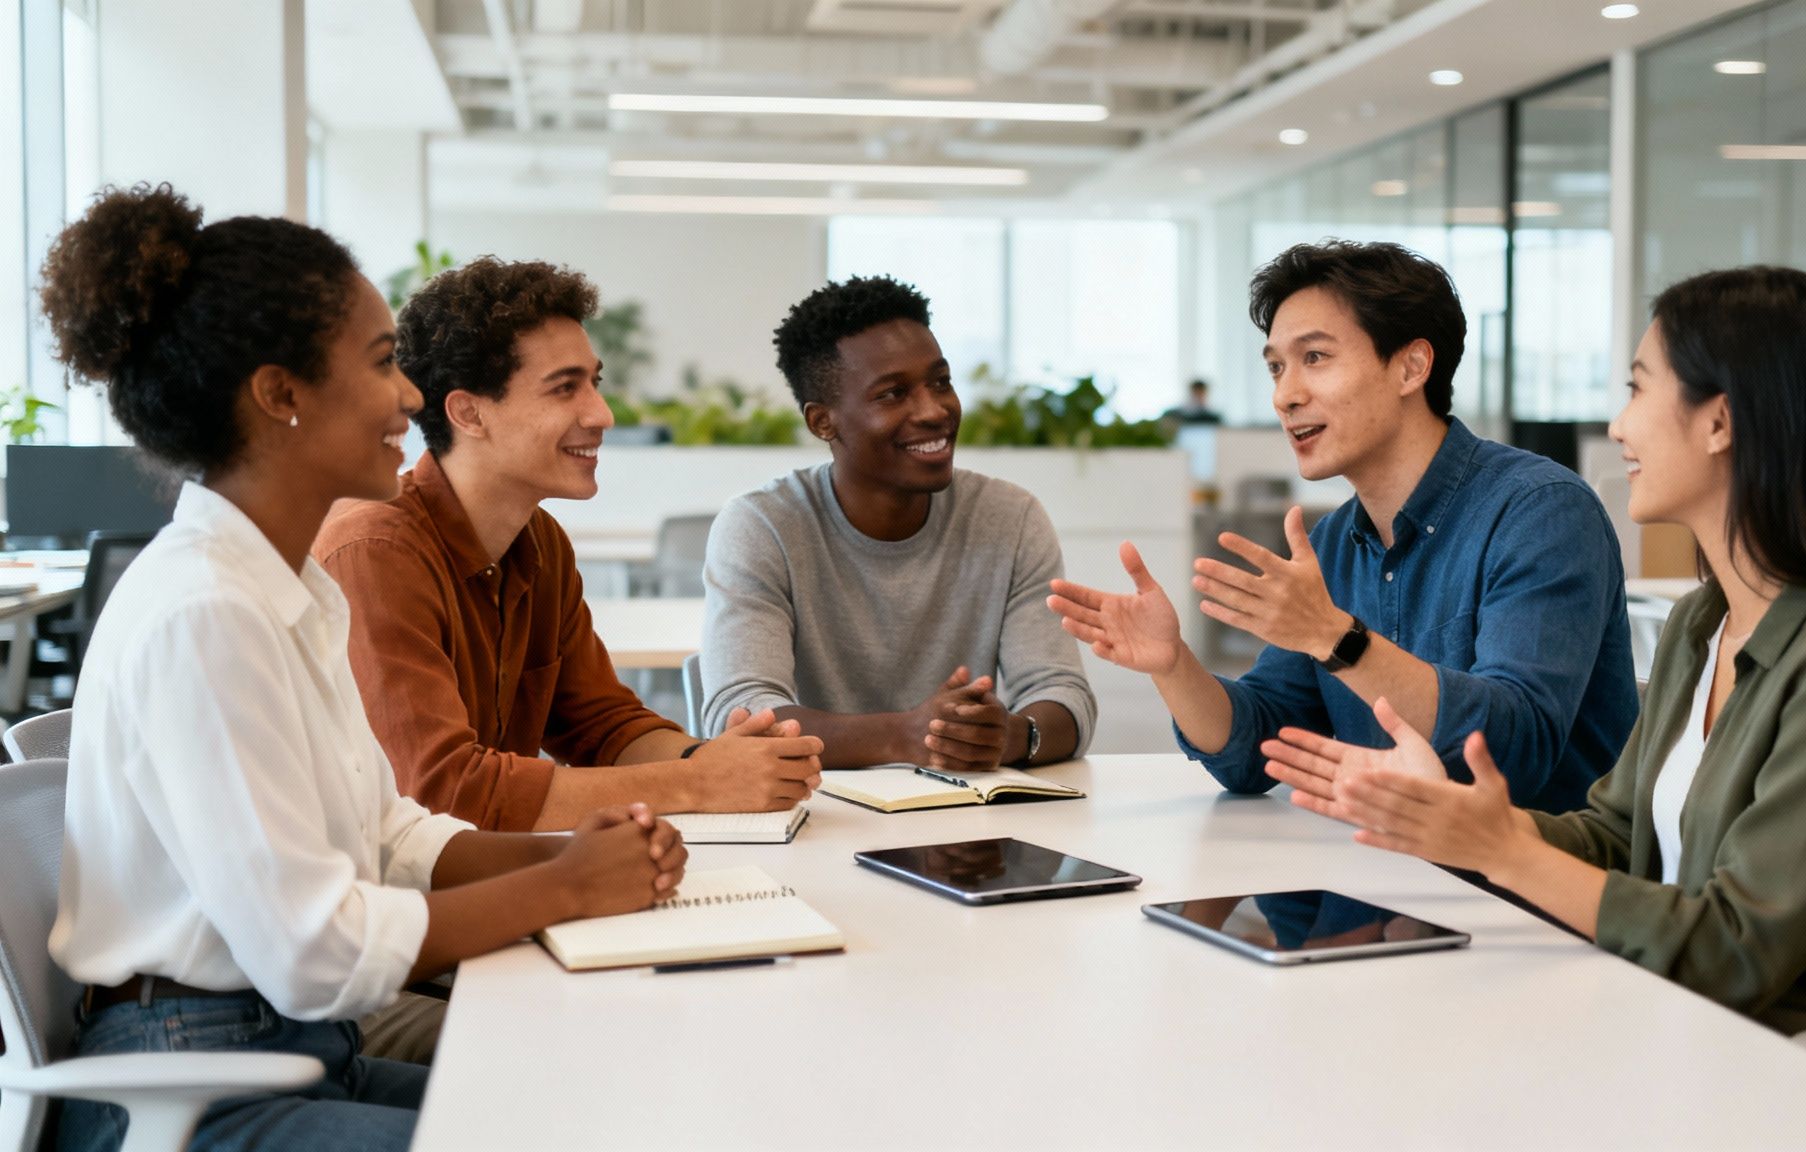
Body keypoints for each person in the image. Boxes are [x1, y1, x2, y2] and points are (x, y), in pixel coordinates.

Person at [40, 184, 685, 1152]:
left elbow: (388, 837)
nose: (411, 398)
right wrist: (567, 888)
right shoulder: (205, 613)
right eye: (383, 363)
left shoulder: (284, 587)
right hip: (195, 1086)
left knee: (598, 1110)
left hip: (291, 1050)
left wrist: (572, 853)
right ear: (280, 396)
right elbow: (315, 950)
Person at [1263, 266, 1806, 1034]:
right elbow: (1615, 838)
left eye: (1638, 389)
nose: (1617, 426)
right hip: (1671, 1012)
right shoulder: (1705, 621)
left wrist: (1501, 850)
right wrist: (1456, 819)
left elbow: (1738, 954)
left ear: (1720, 422)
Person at [1048, 240, 1635, 814]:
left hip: (1526, 872)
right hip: (1377, 863)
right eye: (1276, 367)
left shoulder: (1540, 511)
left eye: (1315, 358)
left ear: (1411, 367)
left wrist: (1336, 638)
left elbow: (1514, 752)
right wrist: (1174, 665)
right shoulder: (1332, 543)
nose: (1285, 395)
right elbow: (1260, 748)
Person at [313, 257, 823, 836]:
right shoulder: (374, 551)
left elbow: (604, 727)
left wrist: (717, 760)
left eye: (593, 383)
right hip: (390, 885)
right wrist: (699, 782)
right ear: (469, 413)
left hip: (493, 870)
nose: (602, 413)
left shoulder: (539, 541)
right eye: (564, 388)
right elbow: (445, 791)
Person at [699, 274, 1096, 770]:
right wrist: (904, 736)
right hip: (812, 805)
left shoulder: (1009, 518)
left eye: (941, 382)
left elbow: (1063, 693)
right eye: (893, 394)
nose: (934, 410)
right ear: (823, 421)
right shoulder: (763, 526)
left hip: (961, 811)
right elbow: (741, 716)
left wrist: (1012, 736)